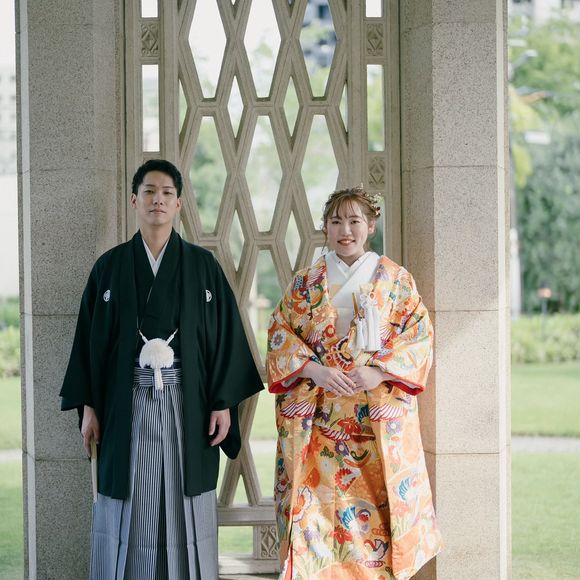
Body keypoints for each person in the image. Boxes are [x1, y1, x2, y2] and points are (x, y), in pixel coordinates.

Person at [60, 159, 263, 579]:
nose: (158, 200)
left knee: (183, 499)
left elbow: (225, 338)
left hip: (188, 404)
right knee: (130, 499)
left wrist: (222, 403)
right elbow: (89, 343)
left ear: (179, 204)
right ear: (134, 200)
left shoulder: (202, 266)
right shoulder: (109, 267)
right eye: (149, 192)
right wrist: (89, 407)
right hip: (125, 404)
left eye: (167, 193)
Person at [267, 186, 443, 579]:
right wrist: (316, 371)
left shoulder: (396, 280)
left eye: (354, 221)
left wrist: (378, 372)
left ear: (371, 226)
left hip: (374, 418)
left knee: (377, 518)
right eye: (336, 222)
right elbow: (281, 334)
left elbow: (418, 336)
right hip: (319, 421)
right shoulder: (305, 283)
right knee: (315, 515)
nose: (345, 230)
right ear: (326, 228)